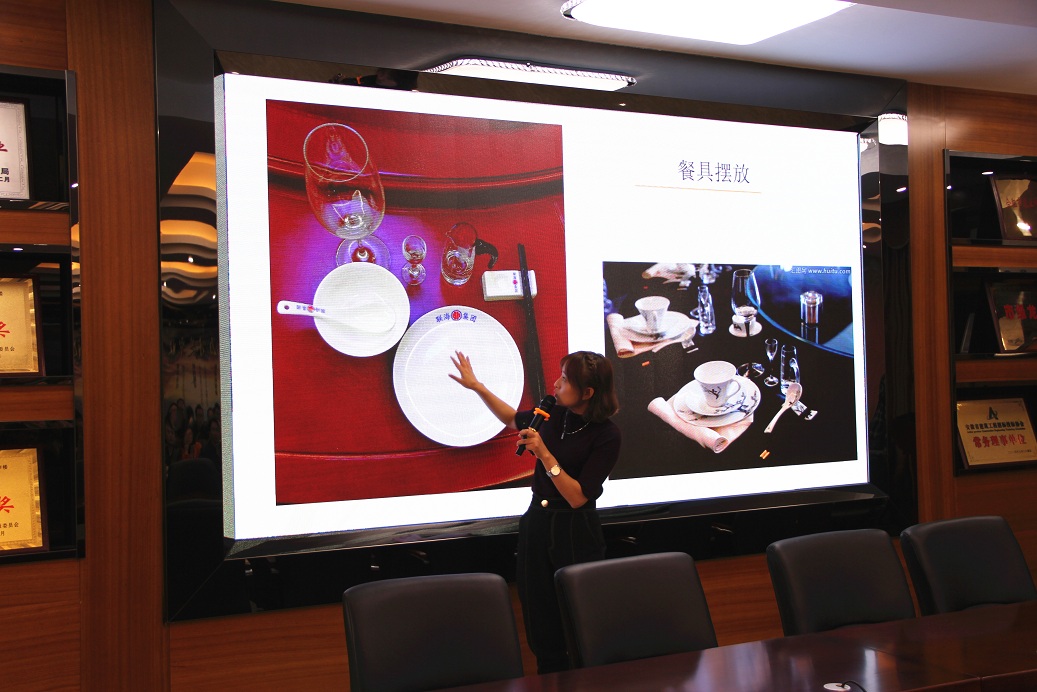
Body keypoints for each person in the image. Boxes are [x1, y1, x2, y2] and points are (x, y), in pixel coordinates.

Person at [450, 349, 621, 673]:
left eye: (565, 380)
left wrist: (544, 454)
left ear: (587, 393)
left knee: (578, 616)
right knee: (539, 613)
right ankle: (549, 674)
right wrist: (477, 387)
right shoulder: (553, 412)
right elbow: (511, 418)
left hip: (575, 529)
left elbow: (577, 498)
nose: (556, 384)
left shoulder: (607, 435)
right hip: (538, 522)